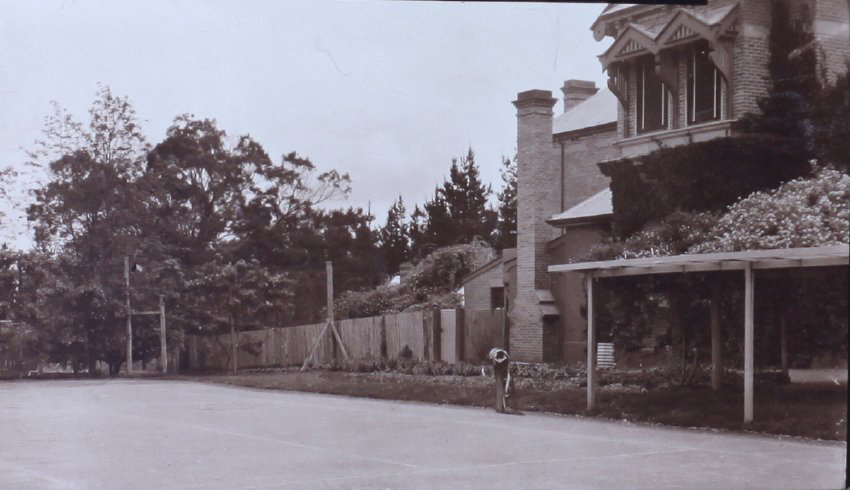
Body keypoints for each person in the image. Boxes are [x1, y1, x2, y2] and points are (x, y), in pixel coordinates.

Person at [488, 348, 513, 413]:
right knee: (501, 389)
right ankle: (500, 407)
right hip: (500, 372)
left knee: (503, 389)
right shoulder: (497, 356)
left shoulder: (503, 356)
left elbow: (506, 367)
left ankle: (501, 407)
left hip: (503, 372)